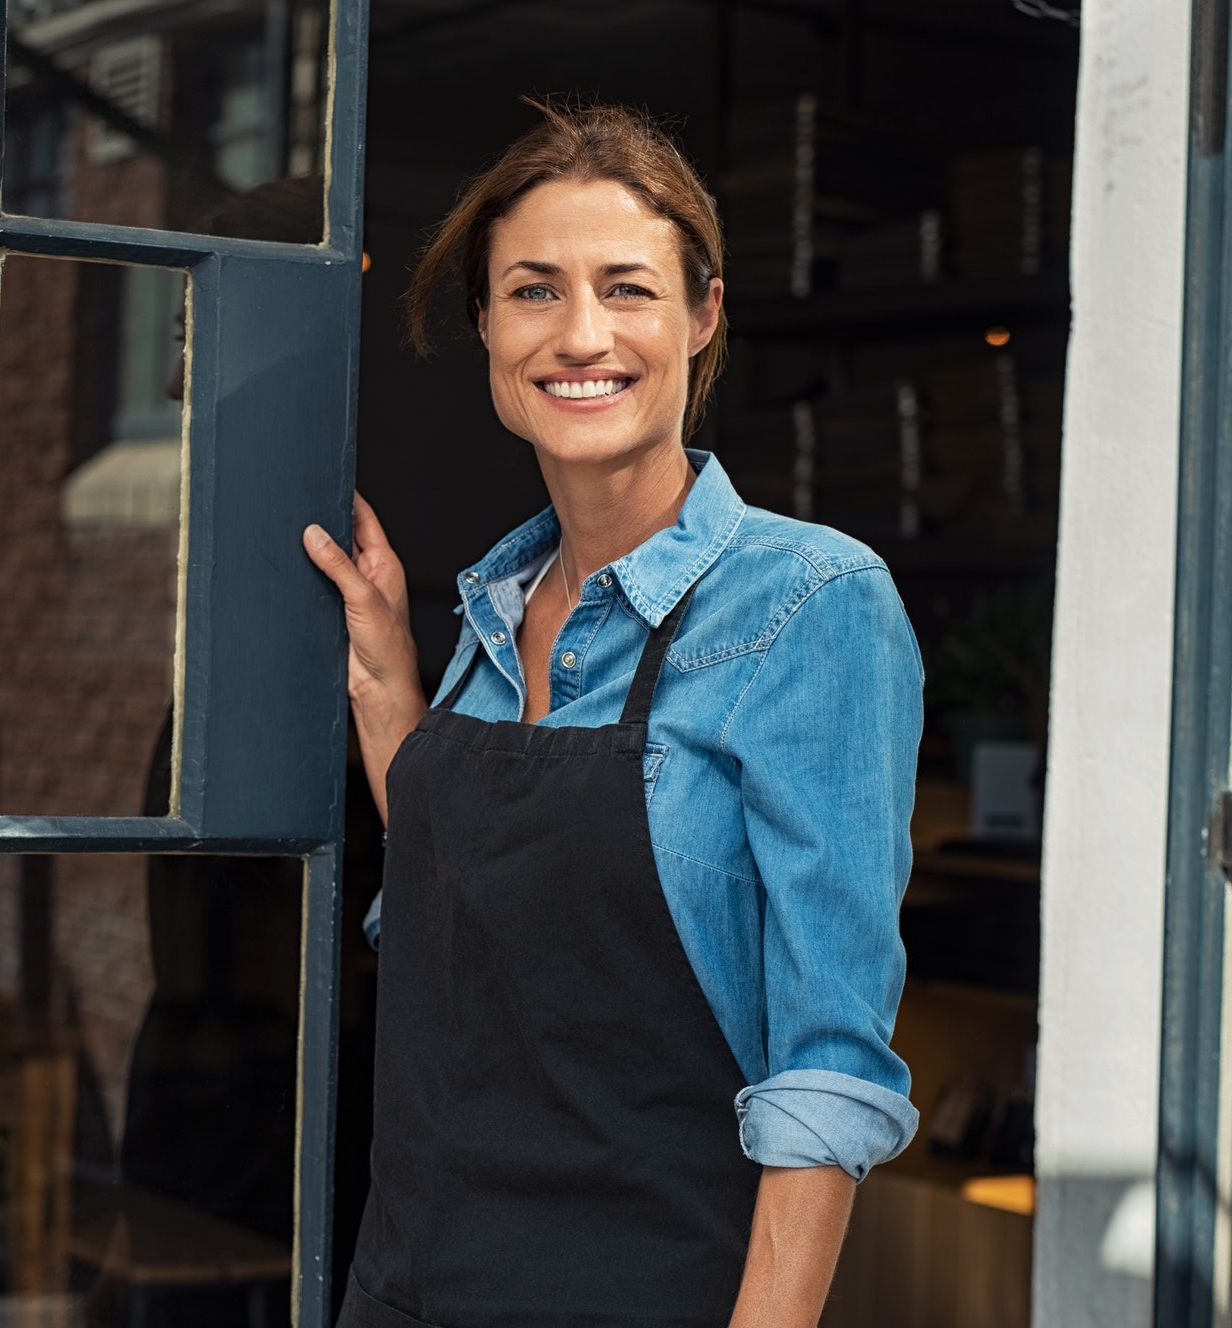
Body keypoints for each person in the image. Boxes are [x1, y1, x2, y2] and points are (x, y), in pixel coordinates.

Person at [302, 101, 923, 1328]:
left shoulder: (809, 603)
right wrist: (386, 679)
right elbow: (473, 890)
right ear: (484, 326)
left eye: (625, 288)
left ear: (700, 316)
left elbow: (829, 1065)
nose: (580, 333)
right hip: (407, 1286)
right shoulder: (495, 598)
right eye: (532, 290)